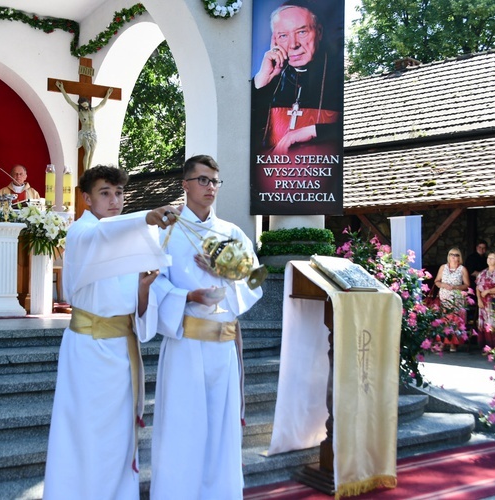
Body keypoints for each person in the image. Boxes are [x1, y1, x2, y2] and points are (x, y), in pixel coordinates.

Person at [43, 165, 179, 500]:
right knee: (85, 434)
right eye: (105, 193)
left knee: (119, 435)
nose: (114, 200)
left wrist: (144, 289)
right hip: (88, 350)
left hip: (121, 350)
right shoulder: (81, 232)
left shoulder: (126, 237)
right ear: (87, 198)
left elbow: (132, 304)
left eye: (119, 193)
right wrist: (148, 218)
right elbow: (102, 236)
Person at [149, 155, 263, 499]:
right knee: (181, 425)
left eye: (215, 181)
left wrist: (224, 273)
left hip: (223, 346)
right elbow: (152, 283)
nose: (210, 187)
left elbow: (256, 280)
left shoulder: (231, 232)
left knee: (221, 428)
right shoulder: (166, 233)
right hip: (186, 341)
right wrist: (188, 295)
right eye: (202, 180)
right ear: (185, 185)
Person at [252, 1, 340, 155]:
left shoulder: (338, 74)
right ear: (275, 41)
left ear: (319, 32)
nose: (293, 44)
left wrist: (312, 130)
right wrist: (261, 82)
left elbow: (353, 130)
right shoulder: (271, 80)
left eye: (301, 32)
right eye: (283, 35)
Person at [55, 80, 113, 172]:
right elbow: (69, 101)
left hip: (93, 133)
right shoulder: (79, 110)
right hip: (85, 133)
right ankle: (86, 171)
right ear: (81, 106)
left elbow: (102, 104)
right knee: (88, 150)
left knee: (93, 151)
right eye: (84, 106)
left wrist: (107, 95)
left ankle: (89, 171)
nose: (86, 107)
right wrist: (62, 89)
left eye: (86, 105)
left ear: (88, 104)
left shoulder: (93, 110)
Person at [434, 247, 470, 351]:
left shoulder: (462, 269)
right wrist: (443, 284)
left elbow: (467, 285)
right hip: (444, 299)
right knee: (444, 320)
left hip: (456, 299)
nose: (453, 257)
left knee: (454, 321)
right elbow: (436, 281)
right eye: (451, 254)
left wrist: (456, 287)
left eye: (456, 255)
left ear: (459, 257)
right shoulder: (443, 267)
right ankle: (442, 342)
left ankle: (453, 343)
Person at [475, 251, 495, 346]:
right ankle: (486, 345)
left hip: (494, 302)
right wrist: (478, 299)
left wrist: (488, 291)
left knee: (494, 323)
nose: (489, 259)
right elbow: (477, 287)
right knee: (484, 322)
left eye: (492, 258)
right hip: (483, 302)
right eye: (488, 257)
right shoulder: (482, 273)